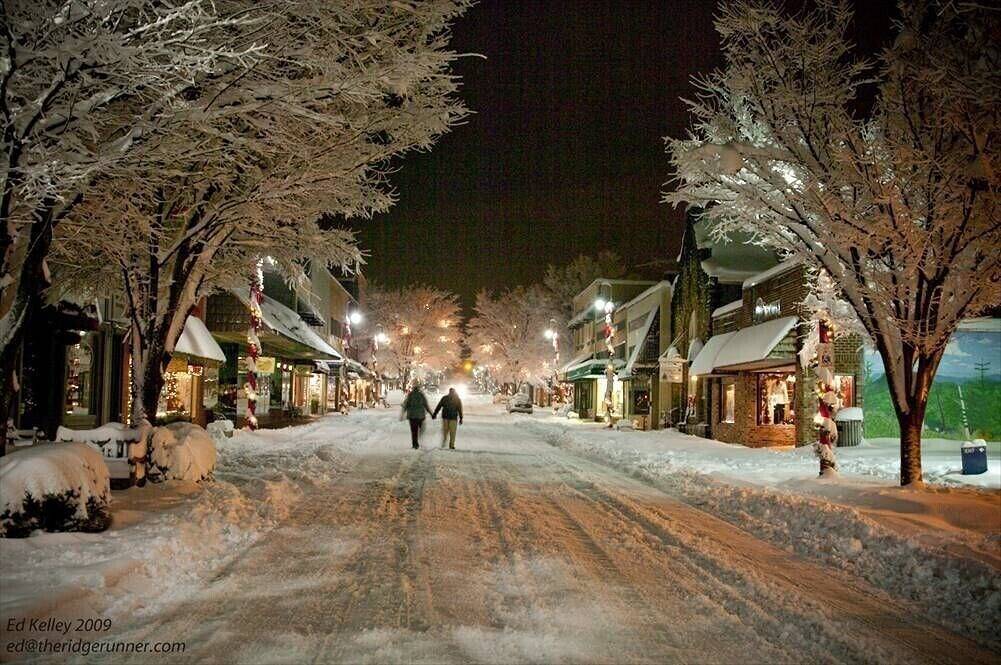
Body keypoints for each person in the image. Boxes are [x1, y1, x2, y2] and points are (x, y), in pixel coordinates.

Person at [402, 384, 433, 449]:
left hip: (412, 416)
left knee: (414, 431)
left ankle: (415, 444)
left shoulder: (410, 395)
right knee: (422, 428)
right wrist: (431, 414)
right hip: (420, 416)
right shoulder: (421, 395)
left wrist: (402, 414)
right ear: (418, 389)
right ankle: (420, 438)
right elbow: (426, 405)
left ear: (413, 389)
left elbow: (406, 404)